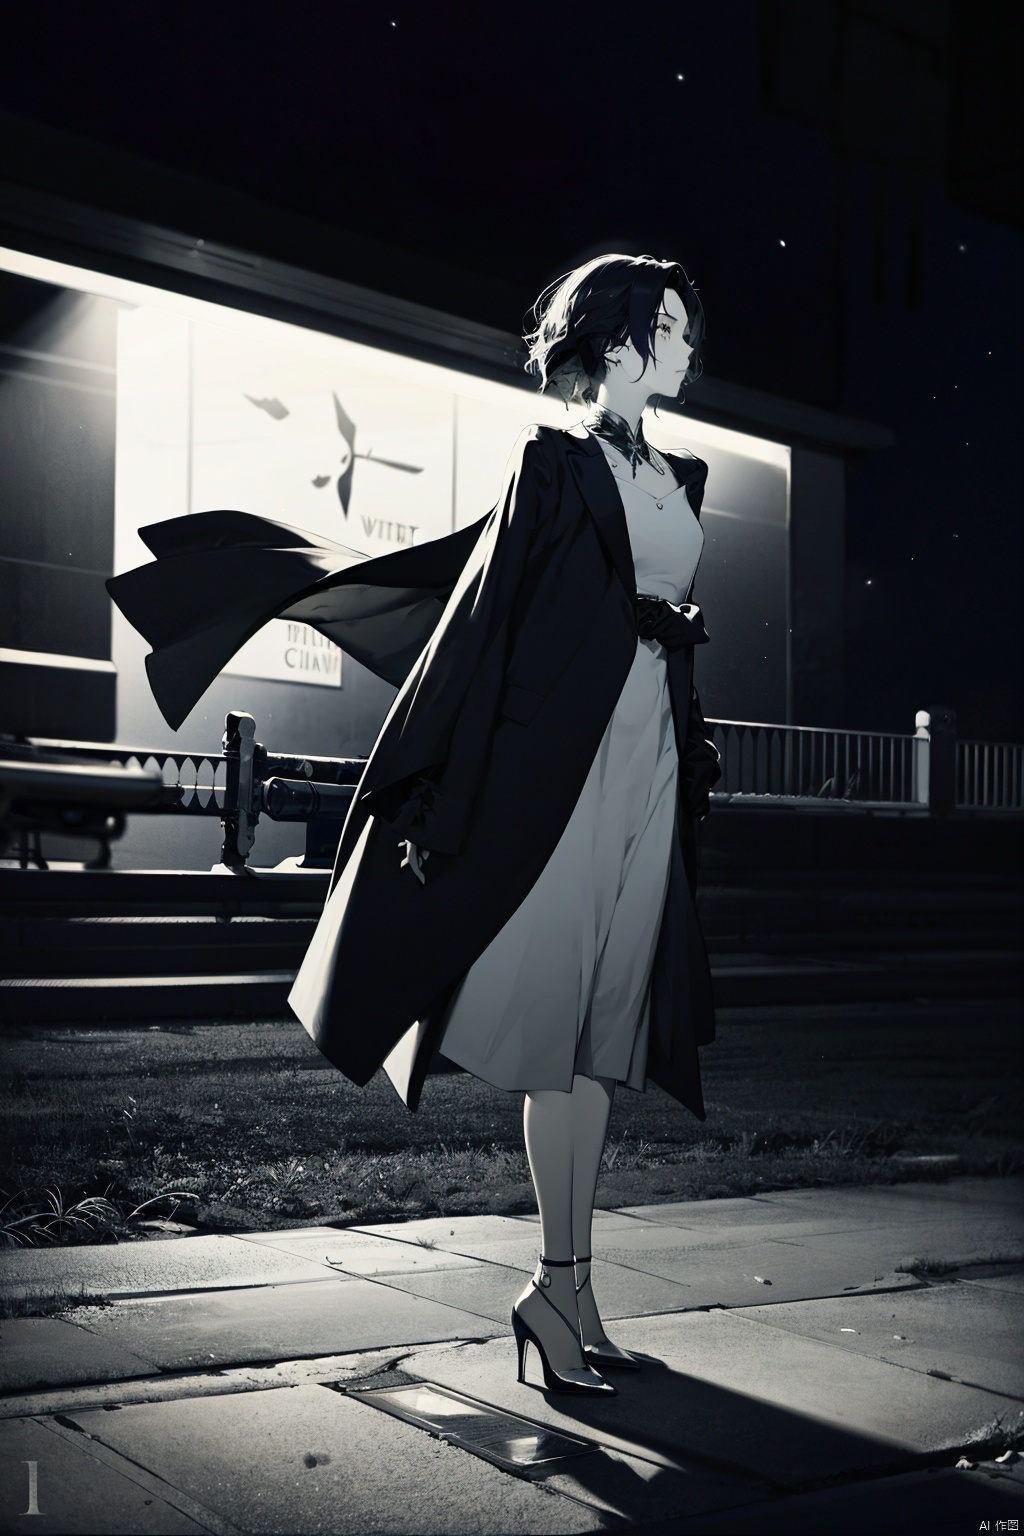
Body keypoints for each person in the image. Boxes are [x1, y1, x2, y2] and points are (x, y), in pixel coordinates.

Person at [107, 252, 721, 1401]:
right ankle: (556, 1284)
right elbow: (485, 626)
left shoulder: (678, 474)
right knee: (558, 1041)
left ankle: (573, 1302)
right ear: (625, 339)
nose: (690, 346)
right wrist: (433, 787)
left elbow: (649, 622)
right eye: (673, 327)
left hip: (646, 771)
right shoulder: (556, 460)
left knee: (600, 1042)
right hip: (562, 777)